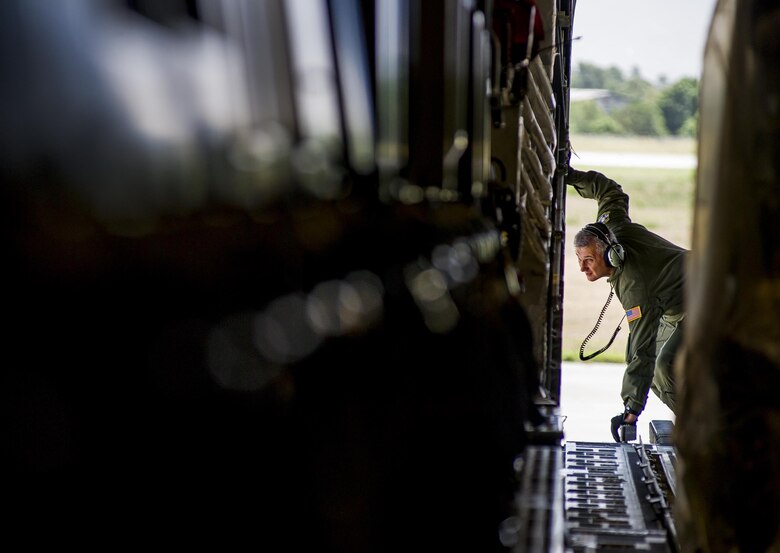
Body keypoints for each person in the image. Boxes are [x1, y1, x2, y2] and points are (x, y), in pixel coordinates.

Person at [567, 167, 687, 442]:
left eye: (588, 260)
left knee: (662, 367)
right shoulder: (612, 228)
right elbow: (609, 191)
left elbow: (642, 352)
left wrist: (631, 411)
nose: (582, 269)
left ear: (611, 255)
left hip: (707, 301)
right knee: (652, 371)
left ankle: (707, 435)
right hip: (674, 302)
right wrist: (568, 176)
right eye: (579, 259)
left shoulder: (636, 287)